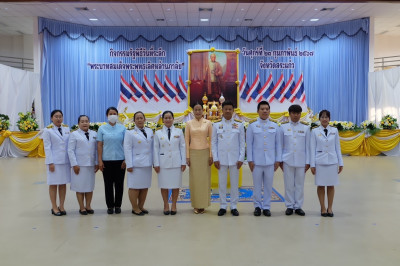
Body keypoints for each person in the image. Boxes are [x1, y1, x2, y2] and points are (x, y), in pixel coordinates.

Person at [246, 101, 282, 217]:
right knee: (256, 186)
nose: (265, 111)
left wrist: (278, 160)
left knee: (268, 185)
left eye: (267, 109)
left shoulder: (275, 126)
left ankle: (266, 206)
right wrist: (250, 160)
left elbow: (278, 145)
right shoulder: (252, 126)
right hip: (256, 161)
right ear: (258, 111)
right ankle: (257, 206)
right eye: (262, 109)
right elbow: (249, 144)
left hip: (270, 161)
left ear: (269, 111)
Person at [211, 101, 245, 216]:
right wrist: (215, 158)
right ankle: (223, 206)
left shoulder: (239, 125)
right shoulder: (216, 125)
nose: (228, 111)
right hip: (221, 159)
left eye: (230, 109)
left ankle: (234, 206)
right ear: (222, 110)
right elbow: (213, 143)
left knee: (234, 184)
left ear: (233, 110)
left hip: (235, 159)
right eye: (226, 109)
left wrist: (241, 158)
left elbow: (242, 143)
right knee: (222, 184)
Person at [310, 110, 344, 217]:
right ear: (319, 119)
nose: (324, 119)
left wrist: (340, 162)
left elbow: (337, 147)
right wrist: (312, 164)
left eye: (326, 117)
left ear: (329, 119)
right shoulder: (314, 131)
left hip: (332, 161)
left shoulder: (334, 130)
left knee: (331, 185)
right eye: (322, 117)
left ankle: (330, 208)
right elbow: (312, 149)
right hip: (319, 161)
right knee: (320, 185)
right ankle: (323, 208)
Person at [153, 111, 186, 215]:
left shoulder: (179, 131)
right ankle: (166, 204)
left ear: (173, 119)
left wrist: (183, 162)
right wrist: (156, 163)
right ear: (163, 120)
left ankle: (174, 205)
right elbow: (155, 149)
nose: (168, 120)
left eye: (169, 118)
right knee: (164, 185)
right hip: (163, 163)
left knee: (176, 185)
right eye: (166, 118)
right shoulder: (158, 133)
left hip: (176, 162)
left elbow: (182, 147)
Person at [279, 105, 310, 216]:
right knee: (288, 184)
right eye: (293, 113)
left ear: (300, 114)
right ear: (289, 114)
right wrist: (280, 161)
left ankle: (298, 206)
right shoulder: (283, 127)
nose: (295, 115)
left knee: (299, 184)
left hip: (301, 161)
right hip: (287, 160)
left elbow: (308, 146)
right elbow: (280, 145)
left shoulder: (306, 128)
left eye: (298, 113)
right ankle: (289, 205)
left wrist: (308, 162)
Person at [185, 103, 213, 214]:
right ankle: (196, 204)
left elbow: (211, 140)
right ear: (193, 111)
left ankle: (203, 204)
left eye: (199, 110)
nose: (197, 112)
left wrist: (211, 155)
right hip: (193, 153)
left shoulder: (208, 123)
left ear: (203, 111)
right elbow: (186, 141)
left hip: (205, 153)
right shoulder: (188, 123)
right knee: (195, 180)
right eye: (195, 110)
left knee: (204, 179)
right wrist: (187, 156)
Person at [97, 107, 126, 214]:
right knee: (108, 184)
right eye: (110, 113)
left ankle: (118, 205)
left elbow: (126, 145)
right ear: (107, 115)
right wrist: (100, 160)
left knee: (119, 184)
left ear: (117, 115)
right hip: (107, 161)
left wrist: (126, 159)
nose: (112, 115)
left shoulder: (122, 128)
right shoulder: (102, 129)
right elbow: (99, 145)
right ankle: (110, 206)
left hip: (120, 160)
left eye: (114, 113)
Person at [68, 115, 99, 215]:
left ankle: (88, 206)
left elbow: (96, 150)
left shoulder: (94, 133)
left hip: (90, 165)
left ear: (89, 122)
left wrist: (97, 163)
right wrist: (74, 164)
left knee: (89, 187)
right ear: (78, 123)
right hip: (79, 165)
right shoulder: (74, 134)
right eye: (82, 121)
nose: (85, 123)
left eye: (86, 121)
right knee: (80, 187)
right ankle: (82, 207)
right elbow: (70, 150)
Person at [124, 111, 153, 216]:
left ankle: (141, 206)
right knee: (134, 187)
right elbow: (127, 149)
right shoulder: (130, 133)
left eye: (141, 118)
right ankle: (135, 207)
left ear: (145, 119)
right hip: (135, 164)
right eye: (137, 118)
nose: (140, 120)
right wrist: (129, 164)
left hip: (147, 163)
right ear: (134, 120)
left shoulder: (150, 131)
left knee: (145, 186)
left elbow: (152, 147)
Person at [42, 110, 71, 216]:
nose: (58, 118)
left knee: (63, 184)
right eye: (56, 116)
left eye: (60, 116)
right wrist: (50, 162)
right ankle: (54, 207)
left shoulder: (67, 128)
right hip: (54, 162)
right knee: (53, 184)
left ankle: (62, 206)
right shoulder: (47, 130)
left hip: (65, 161)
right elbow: (47, 147)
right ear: (51, 118)